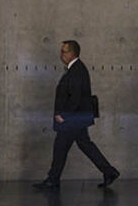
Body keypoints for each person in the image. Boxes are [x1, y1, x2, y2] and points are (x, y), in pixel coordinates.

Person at [34, 40, 119, 191]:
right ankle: (109, 171)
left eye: (64, 51)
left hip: (72, 119)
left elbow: (76, 97)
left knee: (61, 147)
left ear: (72, 53)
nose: (61, 54)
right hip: (77, 118)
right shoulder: (75, 69)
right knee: (83, 145)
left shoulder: (77, 70)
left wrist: (64, 115)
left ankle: (53, 180)